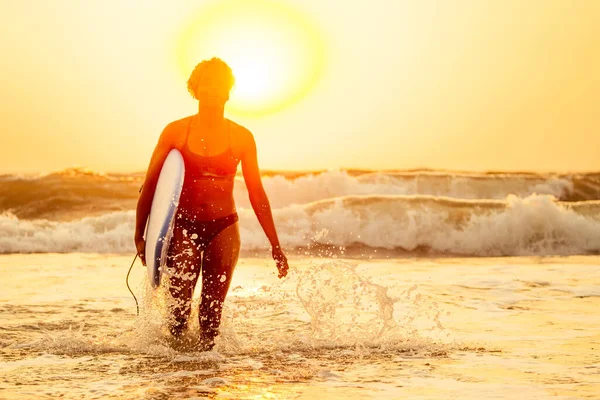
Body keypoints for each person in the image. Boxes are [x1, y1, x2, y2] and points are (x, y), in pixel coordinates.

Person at [134, 57, 289, 351]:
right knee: (178, 315)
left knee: (211, 315)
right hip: (182, 227)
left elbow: (257, 193)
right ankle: (177, 377)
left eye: (220, 85)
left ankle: (207, 381)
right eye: (208, 84)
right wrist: (140, 234)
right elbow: (151, 183)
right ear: (196, 89)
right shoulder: (176, 132)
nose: (214, 90)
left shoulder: (242, 137)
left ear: (228, 91)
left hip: (224, 227)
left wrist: (275, 244)